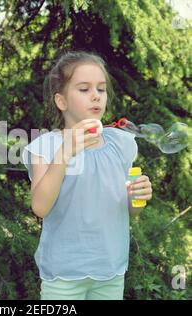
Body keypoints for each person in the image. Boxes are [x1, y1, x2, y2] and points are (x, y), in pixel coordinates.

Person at [21, 51, 153, 300]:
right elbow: (40, 207)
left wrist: (138, 197)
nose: (96, 96)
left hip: (110, 271)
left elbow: (130, 210)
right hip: (63, 275)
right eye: (84, 89)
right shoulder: (46, 147)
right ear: (61, 101)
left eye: (101, 89)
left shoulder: (121, 144)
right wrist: (67, 150)